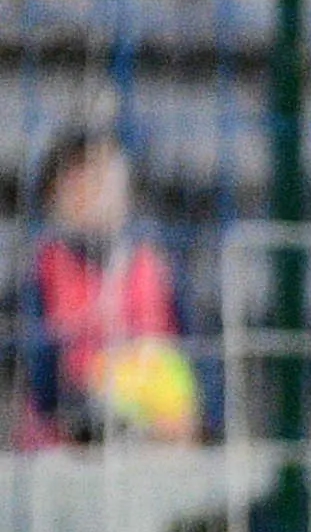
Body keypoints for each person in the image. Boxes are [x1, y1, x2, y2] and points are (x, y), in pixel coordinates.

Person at [17, 126, 206, 449]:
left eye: (102, 181)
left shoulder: (156, 263)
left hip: (159, 426)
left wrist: (204, 419)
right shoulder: (44, 269)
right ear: (54, 198)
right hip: (73, 430)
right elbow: (40, 371)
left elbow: (198, 349)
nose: (91, 194)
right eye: (77, 184)